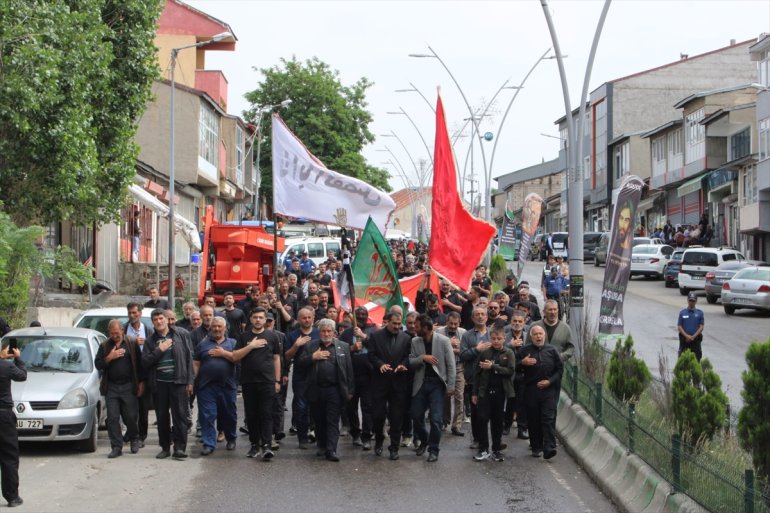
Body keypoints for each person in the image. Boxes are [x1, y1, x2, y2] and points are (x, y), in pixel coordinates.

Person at [296, 319, 355, 462]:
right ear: (319, 332)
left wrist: (350, 390)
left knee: (333, 420)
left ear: (333, 332)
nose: (326, 334)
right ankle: (322, 445)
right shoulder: (311, 346)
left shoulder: (343, 347)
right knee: (319, 420)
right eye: (323, 331)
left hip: (335, 389)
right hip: (316, 389)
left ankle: (331, 450)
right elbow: (300, 364)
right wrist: (313, 357)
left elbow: (349, 370)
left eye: (329, 331)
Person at [142, 309, 194, 460]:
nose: (159, 321)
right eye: (155, 320)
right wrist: (160, 349)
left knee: (180, 416)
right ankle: (165, 447)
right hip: (159, 384)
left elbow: (189, 359)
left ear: (167, 319)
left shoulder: (181, 334)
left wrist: (190, 381)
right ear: (152, 323)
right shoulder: (150, 341)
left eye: (161, 318)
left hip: (179, 382)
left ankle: (179, 448)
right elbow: (145, 362)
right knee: (162, 417)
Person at [231, 308, 282, 460]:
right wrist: (251, 346)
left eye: (261, 317)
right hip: (248, 381)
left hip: (267, 381)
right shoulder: (243, 336)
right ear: (251, 319)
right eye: (255, 317)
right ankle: (254, 445)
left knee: (266, 413)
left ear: (266, 319)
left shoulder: (272, 336)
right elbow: (235, 357)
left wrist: (277, 380)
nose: (258, 320)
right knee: (252, 414)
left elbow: (276, 359)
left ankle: (266, 445)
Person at [94, 320, 144, 458]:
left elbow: (140, 365)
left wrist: (141, 383)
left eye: (117, 332)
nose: (115, 335)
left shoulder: (132, 343)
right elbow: (98, 364)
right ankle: (116, 446)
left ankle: (134, 437)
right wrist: (109, 357)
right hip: (112, 387)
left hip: (129, 385)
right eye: (111, 333)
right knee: (112, 418)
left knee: (130, 417)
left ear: (122, 330)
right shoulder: (105, 345)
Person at [409, 314, 455, 462]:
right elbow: (410, 362)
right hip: (421, 384)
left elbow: (451, 365)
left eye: (417, 326)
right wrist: (422, 358)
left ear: (425, 328)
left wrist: (451, 386)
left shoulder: (443, 341)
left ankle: (433, 449)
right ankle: (425, 439)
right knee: (416, 416)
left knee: (436, 419)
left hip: (437, 384)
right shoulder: (415, 341)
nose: (413, 329)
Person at [367, 312, 412, 460]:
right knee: (378, 416)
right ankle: (379, 440)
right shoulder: (376, 336)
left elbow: (408, 357)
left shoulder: (406, 338)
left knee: (396, 417)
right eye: (394, 324)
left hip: (398, 382)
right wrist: (380, 364)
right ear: (387, 322)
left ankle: (394, 448)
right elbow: (371, 355)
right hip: (380, 382)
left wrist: (402, 365)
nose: (397, 327)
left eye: (399, 324)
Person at [193, 317, 238, 456]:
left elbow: (237, 359)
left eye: (219, 326)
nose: (217, 329)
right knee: (207, 416)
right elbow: (196, 363)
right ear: (210, 327)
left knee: (229, 415)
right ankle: (208, 443)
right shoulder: (202, 344)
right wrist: (193, 380)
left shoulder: (233, 343)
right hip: (206, 387)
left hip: (227, 386)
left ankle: (231, 438)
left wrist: (224, 354)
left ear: (225, 328)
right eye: (214, 326)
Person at [518, 324, 563, 460]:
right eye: (535, 334)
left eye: (540, 334)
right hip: (531, 390)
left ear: (544, 336)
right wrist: (522, 363)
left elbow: (560, 370)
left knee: (548, 418)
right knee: (534, 419)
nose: (538, 336)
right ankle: (536, 446)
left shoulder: (552, 350)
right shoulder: (524, 351)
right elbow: (513, 368)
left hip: (548, 390)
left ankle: (549, 447)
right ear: (531, 337)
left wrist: (550, 381)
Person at [472, 326, 515, 462]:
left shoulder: (508, 353)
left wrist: (493, 367)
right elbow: (477, 374)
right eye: (494, 339)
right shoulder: (485, 353)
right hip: (485, 391)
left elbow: (510, 371)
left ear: (504, 339)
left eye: (499, 339)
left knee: (498, 421)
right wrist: (475, 392)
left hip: (501, 392)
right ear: (490, 338)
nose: (496, 341)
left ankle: (496, 449)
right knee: (482, 419)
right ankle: (483, 448)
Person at [338, 307, 377, 450]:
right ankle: (355, 434)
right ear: (354, 316)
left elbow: (378, 346)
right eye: (358, 314)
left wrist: (364, 336)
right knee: (351, 407)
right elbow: (339, 352)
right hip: (351, 376)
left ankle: (366, 436)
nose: (361, 316)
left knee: (368, 407)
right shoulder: (347, 334)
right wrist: (351, 349)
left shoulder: (373, 331)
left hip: (368, 376)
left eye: (364, 314)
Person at [284, 308, 319, 449]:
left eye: (309, 317)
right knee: (301, 408)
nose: (306, 320)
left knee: (317, 407)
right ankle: (302, 437)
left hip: (318, 375)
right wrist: (296, 345)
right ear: (298, 319)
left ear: (313, 318)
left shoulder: (319, 332)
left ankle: (316, 433)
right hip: (300, 377)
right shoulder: (293, 335)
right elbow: (287, 356)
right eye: (303, 318)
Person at [460, 307, 491, 450]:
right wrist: (477, 350)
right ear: (472, 318)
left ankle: (492, 441)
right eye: (477, 314)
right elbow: (463, 355)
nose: (480, 317)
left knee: (492, 412)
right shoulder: (467, 336)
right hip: (474, 379)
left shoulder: (493, 334)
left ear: (487, 317)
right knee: (476, 412)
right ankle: (477, 439)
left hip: (492, 378)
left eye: (482, 314)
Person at [0, 343, 26, 507]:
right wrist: (18, 358)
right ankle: (12, 496)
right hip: (4, 415)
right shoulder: (6, 367)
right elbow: (22, 375)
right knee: (9, 456)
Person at [436, 312, 466, 437]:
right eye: (451, 323)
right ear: (446, 322)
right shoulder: (438, 332)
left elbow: (467, 351)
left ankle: (457, 425)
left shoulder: (464, 333)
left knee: (459, 395)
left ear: (459, 323)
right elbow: (436, 351)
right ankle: (445, 421)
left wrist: (456, 349)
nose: (453, 326)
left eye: (456, 324)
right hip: (444, 367)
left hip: (459, 366)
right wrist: (449, 345)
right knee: (446, 395)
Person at [505, 311, 529, 440]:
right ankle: (507, 424)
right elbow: (499, 349)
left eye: (520, 321)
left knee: (523, 402)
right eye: (514, 321)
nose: (517, 324)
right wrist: (510, 345)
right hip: (509, 374)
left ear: (524, 322)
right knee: (510, 401)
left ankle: (522, 428)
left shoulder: (528, 336)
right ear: (510, 322)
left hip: (525, 374)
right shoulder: (506, 337)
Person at [677, 292, 704, 361]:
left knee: (696, 359)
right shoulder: (682, 313)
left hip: (695, 340)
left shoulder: (700, 313)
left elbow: (701, 327)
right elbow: (679, 326)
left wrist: (693, 337)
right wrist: (687, 336)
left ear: (696, 301)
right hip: (685, 340)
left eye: (693, 301)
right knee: (682, 359)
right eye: (690, 300)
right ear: (687, 300)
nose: (691, 302)